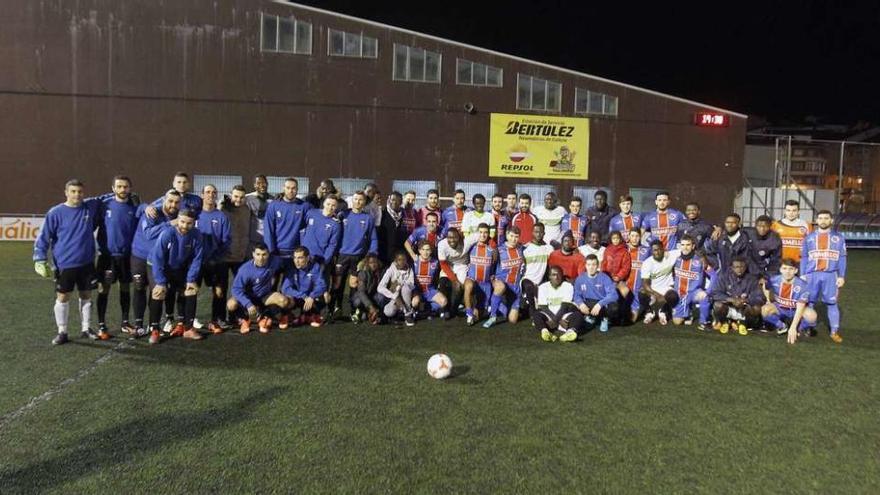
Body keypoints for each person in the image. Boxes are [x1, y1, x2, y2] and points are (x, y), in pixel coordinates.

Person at [33, 179, 102, 345]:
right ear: (66, 192)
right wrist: (39, 259)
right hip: (65, 264)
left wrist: (126, 195)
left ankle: (86, 328)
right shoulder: (55, 212)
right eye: (73, 191)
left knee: (86, 295)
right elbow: (44, 237)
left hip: (86, 262)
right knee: (63, 297)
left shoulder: (89, 207)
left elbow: (105, 198)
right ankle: (62, 331)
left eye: (80, 191)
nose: (77, 195)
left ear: (83, 193)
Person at [146, 209, 204, 344]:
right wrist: (160, 282)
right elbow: (158, 258)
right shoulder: (167, 233)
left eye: (189, 223)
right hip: (158, 265)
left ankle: (188, 328)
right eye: (182, 222)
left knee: (190, 290)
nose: (184, 226)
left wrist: (191, 279)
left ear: (194, 223)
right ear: (178, 220)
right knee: (158, 292)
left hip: (179, 267)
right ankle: (155, 330)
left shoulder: (197, 235)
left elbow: (197, 259)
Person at [130, 190, 180, 337]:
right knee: (139, 288)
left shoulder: (179, 215)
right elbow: (149, 234)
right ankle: (138, 325)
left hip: (156, 260)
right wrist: (170, 224)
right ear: (164, 199)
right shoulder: (152, 211)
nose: (173, 205)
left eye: (177, 202)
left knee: (156, 291)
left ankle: (154, 326)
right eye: (170, 201)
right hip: (139, 256)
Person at [95, 176, 138, 338]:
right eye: (119, 186)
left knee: (125, 287)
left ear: (130, 188)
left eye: (125, 186)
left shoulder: (134, 207)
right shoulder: (104, 206)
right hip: (107, 256)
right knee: (103, 288)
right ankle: (101, 325)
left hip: (127, 256)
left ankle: (125, 322)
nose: (122, 189)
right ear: (113, 188)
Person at [800, 210, 846, 343]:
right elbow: (804, 257)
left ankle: (834, 331)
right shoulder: (809, 237)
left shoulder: (839, 238)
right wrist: (803, 274)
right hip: (812, 275)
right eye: (820, 218)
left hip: (830, 275)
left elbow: (842, 258)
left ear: (831, 220)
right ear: (817, 220)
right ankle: (810, 327)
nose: (823, 221)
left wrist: (841, 276)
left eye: (826, 218)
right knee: (809, 302)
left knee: (832, 303)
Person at [333, 191, 379, 314]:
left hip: (358, 256)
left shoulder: (368, 218)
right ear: (352, 200)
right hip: (341, 255)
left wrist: (373, 252)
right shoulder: (343, 214)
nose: (358, 202)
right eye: (355, 199)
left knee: (354, 283)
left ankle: (354, 310)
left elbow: (373, 238)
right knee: (338, 283)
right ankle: (336, 308)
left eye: (360, 200)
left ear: (364, 202)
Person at [228, 242, 287, 334]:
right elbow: (236, 289)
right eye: (258, 254)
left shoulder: (275, 261)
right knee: (231, 304)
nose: (261, 258)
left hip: (264, 295)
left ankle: (265, 316)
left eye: (264, 254)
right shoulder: (245, 269)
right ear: (253, 254)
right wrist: (248, 304)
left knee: (283, 301)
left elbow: (288, 264)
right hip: (249, 297)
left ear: (268, 254)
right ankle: (245, 319)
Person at [196, 184, 231, 334]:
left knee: (219, 292)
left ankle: (218, 319)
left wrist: (215, 257)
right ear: (202, 195)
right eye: (208, 192)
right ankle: (187, 320)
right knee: (191, 290)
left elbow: (227, 240)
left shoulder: (221, 216)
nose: (211, 195)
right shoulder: (195, 215)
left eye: (214, 192)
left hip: (217, 261)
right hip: (197, 262)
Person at [761, 258, 817, 342]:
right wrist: (768, 299)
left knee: (812, 316)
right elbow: (766, 286)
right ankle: (782, 326)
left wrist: (793, 327)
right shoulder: (774, 279)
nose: (787, 272)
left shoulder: (803, 285)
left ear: (795, 270)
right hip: (780, 308)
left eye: (791, 269)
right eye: (784, 268)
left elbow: (800, 307)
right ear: (780, 270)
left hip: (795, 310)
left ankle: (800, 328)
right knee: (764, 310)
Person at [263, 177, 312, 271]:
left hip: (296, 253)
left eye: (293, 188)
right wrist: (271, 249)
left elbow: (317, 217)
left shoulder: (304, 206)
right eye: (288, 188)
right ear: (283, 188)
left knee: (292, 283)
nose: (291, 191)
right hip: (277, 251)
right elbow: (268, 228)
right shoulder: (274, 205)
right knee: (272, 283)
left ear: (297, 190)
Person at [220, 185, 252, 326]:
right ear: (231, 195)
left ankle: (236, 315)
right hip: (223, 256)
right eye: (235, 196)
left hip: (240, 255)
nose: (238, 199)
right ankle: (219, 318)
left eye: (241, 197)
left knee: (240, 287)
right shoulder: (223, 208)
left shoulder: (246, 209)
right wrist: (221, 202)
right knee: (221, 289)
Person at [710, 257, 765, 335]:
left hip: (744, 309)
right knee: (718, 305)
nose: (739, 269)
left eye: (742, 267)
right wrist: (731, 300)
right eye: (736, 267)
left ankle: (743, 324)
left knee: (757, 308)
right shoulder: (724, 277)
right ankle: (725, 322)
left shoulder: (752, 280)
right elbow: (715, 293)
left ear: (745, 267)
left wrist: (745, 301)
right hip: (729, 308)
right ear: (732, 268)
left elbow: (760, 297)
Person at [483, 226, 526, 328]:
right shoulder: (498, 250)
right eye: (511, 236)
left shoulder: (521, 249)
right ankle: (493, 316)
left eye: (516, 237)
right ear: (507, 235)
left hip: (515, 288)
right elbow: (490, 266)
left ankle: (498, 305)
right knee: (500, 287)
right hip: (501, 284)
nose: (513, 239)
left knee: (513, 320)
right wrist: (492, 280)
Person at [670, 235, 711, 329]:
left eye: (688, 245)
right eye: (683, 245)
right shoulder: (675, 257)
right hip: (680, 293)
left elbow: (713, 276)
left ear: (693, 246)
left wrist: (708, 291)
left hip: (694, 293)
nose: (685, 247)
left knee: (704, 296)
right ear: (680, 245)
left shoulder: (700, 260)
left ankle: (703, 322)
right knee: (677, 322)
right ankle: (689, 312)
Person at [281, 246, 328, 328]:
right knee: (285, 298)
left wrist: (312, 296)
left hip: (309, 298)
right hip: (297, 297)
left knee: (326, 296)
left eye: (300, 258)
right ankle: (287, 315)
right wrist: (302, 296)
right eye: (295, 257)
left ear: (307, 258)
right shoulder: (291, 267)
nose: (296, 261)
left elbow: (322, 285)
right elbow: (285, 288)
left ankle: (309, 315)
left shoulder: (314, 267)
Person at [639, 240, 681, 326]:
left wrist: (701, 256)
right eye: (654, 250)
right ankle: (650, 311)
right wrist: (657, 296)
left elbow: (685, 250)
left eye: (659, 249)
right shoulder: (647, 263)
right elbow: (645, 284)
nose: (657, 252)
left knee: (673, 296)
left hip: (667, 288)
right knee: (642, 293)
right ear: (651, 251)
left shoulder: (671, 255)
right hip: (653, 289)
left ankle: (663, 311)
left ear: (663, 249)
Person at [533, 266, 581, 343]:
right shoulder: (542, 287)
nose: (557, 277)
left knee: (578, 315)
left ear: (562, 276)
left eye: (559, 274)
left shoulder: (568, 286)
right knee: (536, 315)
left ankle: (569, 333)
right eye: (554, 275)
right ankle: (545, 332)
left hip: (563, 315)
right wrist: (558, 321)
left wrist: (555, 321)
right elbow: (544, 307)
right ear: (549, 276)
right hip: (549, 315)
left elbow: (564, 307)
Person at [573, 254, 619, 333]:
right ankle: (590, 317)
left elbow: (614, 295)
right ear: (585, 266)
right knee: (574, 305)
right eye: (589, 264)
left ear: (598, 265)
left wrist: (600, 304)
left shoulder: (604, 277)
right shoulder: (580, 278)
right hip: (588, 303)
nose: (591, 267)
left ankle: (605, 318)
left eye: (594, 264)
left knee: (614, 307)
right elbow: (576, 295)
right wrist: (580, 303)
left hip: (601, 304)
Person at [463, 224, 497, 325]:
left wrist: (493, 277)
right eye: (480, 232)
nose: (483, 235)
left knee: (477, 317)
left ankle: (475, 312)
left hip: (485, 284)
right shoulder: (471, 246)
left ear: (488, 234)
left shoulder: (492, 250)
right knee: (468, 285)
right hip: (473, 280)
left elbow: (495, 265)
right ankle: (468, 314)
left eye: (485, 232)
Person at [377, 251, 418, 326]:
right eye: (399, 260)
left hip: (406, 296)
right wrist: (394, 296)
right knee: (388, 312)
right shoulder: (390, 270)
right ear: (395, 261)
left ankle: (408, 314)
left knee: (406, 287)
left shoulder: (410, 270)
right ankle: (401, 312)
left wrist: (401, 286)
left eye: (404, 260)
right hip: (395, 297)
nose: (402, 262)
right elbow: (380, 287)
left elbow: (412, 285)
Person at [437, 227, 471, 317]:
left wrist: (493, 246)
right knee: (443, 282)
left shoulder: (466, 241)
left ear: (459, 237)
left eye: (455, 237)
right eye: (449, 237)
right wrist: (454, 280)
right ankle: (444, 309)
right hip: (448, 265)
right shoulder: (442, 244)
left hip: (462, 265)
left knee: (461, 286)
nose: (452, 240)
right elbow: (443, 264)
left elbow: (479, 236)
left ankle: (454, 308)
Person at [301, 195, 342, 268]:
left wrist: (325, 260)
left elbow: (332, 245)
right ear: (324, 203)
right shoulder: (311, 213)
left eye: (333, 205)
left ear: (336, 207)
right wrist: (301, 247)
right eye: (328, 204)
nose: (330, 207)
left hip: (319, 258)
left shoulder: (336, 224)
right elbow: (302, 229)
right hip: (304, 255)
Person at [521, 223, 554, 312]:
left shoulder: (549, 248)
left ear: (544, 233)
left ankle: (535, 301)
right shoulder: (525, 248)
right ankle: (532, 311)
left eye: (541, 232)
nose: (538, 234)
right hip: (527, 280)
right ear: (532, 233)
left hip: (541, 281)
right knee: (528, 286)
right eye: (536, 232)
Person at [413, 240, 448, 318]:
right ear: (419, 251)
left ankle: (424, 310)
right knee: (415, 302)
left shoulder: (435, 262)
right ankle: (423, 310)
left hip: (430, 291)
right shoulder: (414, 261)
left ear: (431, 251)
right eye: (423, 250)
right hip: (417, 291)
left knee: (444, 301)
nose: (425, 252)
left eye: (428, 250)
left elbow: (441, 274)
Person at [772, 199, 811, 264]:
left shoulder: (806, 225)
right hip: (780, 262)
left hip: (799, 262)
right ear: (785, 211)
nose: (791, 213)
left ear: (798, 212)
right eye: (788, 210)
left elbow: (811, 245)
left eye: (794, 210)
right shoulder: (776, 225)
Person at [625, 229, 651, 322]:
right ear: (628, 237)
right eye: (632, 236)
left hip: (638, 290)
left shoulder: (647, 250)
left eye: (637, 236)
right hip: (625, 290)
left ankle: (647, 308)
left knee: (632, 320)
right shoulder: (623, 249)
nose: (635, 238)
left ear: (640, 237)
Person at [376, 191, 408, 266]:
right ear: (389, 200)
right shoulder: (382, 214)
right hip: (383, 255)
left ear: (401, 202)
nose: (395, 202)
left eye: (398, 200)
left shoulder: (404, 216)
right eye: (393, 199)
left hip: (398, 256)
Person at [350, 254, 383, 324]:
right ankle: (358, 311)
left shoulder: (380, 272)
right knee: (358, 301)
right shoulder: (363, 273)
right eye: (371, 263)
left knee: (381, 297)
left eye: (375, 262)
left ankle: (377, 313)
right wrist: (370, 306)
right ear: (367, 264)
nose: (373, 265)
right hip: (361, 297)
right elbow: (361, 292)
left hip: (372, 297)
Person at [601, 230, 632, 302]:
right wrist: (604, 275)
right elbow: (604, 263)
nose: (615, 240)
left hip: (619, 279)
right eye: (613, 238)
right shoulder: (607, 250)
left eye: (617, 238)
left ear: (620, 239)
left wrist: (619, 277)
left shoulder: (624, 251)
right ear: (611, 239)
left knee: (622, 293)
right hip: (607, 278)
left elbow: (626, 267)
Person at [245, 174, 273, 253]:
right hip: (253, 239)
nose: (261, 185)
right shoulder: (247, 198)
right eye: (258, 183)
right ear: (254, 185)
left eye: (264, 183)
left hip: (268, 239)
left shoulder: (273, 200)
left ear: (267, 184)